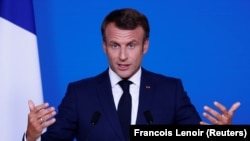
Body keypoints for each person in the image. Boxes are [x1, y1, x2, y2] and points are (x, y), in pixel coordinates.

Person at [24, 8, 241, 141]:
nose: (123, 56)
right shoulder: (80, 93)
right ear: (104, 46)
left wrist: (222, 134)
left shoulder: (170, 90)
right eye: (115, 45)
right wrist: (32, 137)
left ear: (145, 46)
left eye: (131, 45)